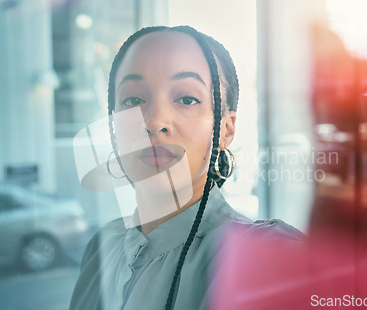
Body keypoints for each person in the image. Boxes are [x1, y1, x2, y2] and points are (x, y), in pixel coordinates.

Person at [69, 25, 303, 310]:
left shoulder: (271, 258)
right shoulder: (100, 250)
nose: (154, 122)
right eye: (132, 100)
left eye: (187, 99)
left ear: (225, 130)